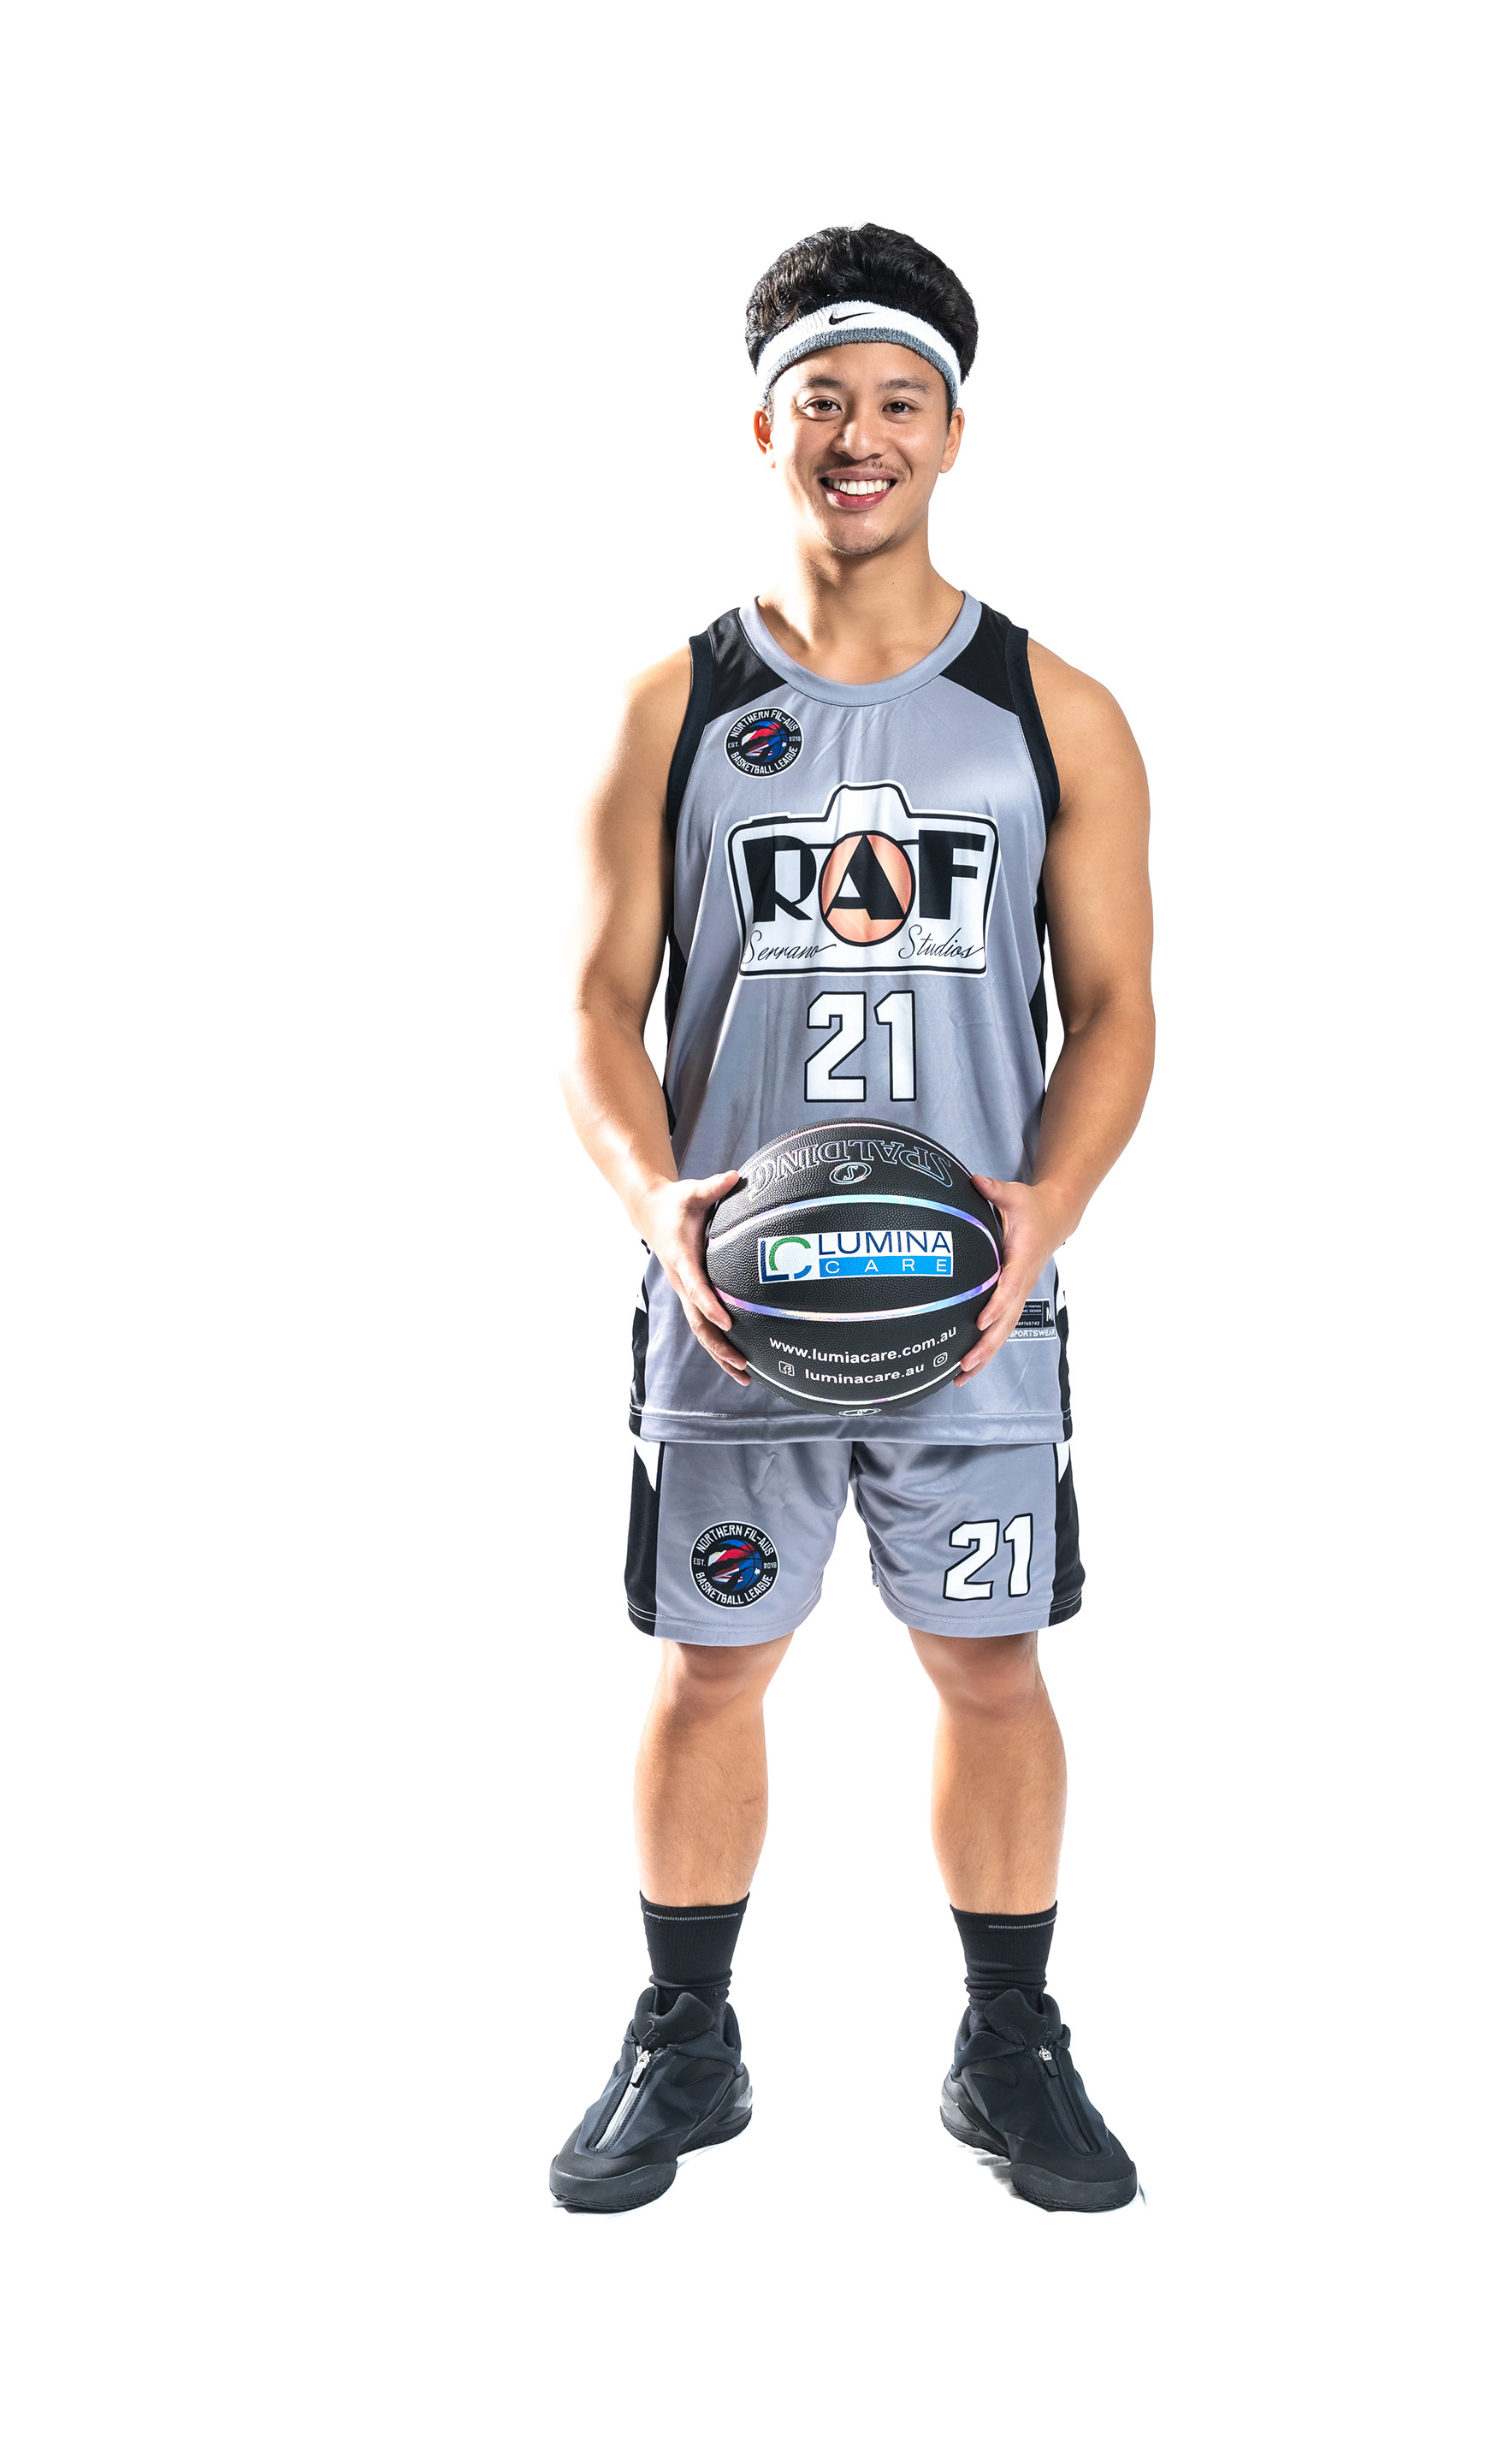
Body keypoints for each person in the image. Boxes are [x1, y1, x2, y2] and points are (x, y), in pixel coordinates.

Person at [554, 222, 1155, 2213]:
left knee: (992, 1665)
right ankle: (685, 2038)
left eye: (901, 401)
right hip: (734, 1301)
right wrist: (658, 1205)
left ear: (955, 432)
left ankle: (1009, 2046)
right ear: (767, 428)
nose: (861, 436)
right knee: (710, 1666)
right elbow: (592, 1004)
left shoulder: (1053, 710)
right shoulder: (673, 707)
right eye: (825, 400)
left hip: (975, 1302)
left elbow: (1120, 1006)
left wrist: (1048, 1215)